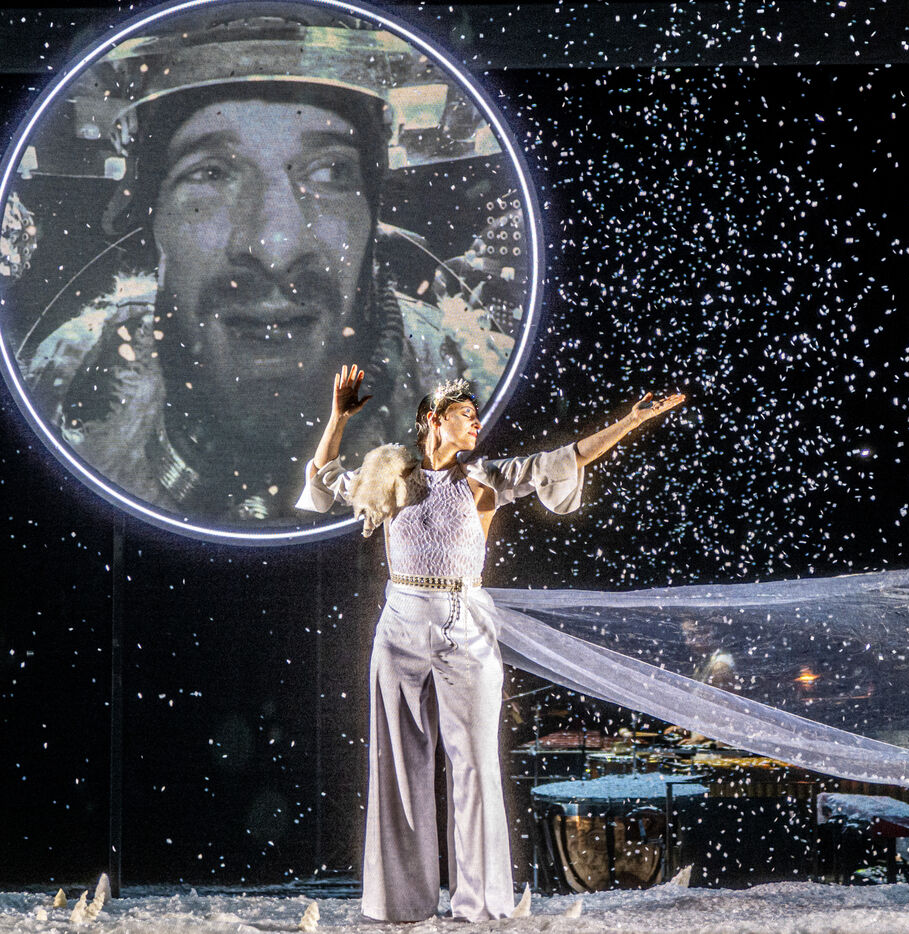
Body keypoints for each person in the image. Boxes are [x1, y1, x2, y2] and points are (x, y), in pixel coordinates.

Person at [18, 13, 521, 523]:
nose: (275, 248)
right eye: (211, 172)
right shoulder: (63, 382)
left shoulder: (475, 383)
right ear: (152, 220)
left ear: (372, 216)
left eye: (330, 171)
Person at [297, 363, 683, 922]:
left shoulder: (485, 478)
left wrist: (629, 422)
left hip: (465, 627)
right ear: (434, 420)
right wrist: (338, 417)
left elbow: (566, 459)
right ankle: (400, 903)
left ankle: (481, 905)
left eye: (476, 415)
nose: (476, 423)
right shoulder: (390, 476)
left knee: (475, 765)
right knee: (399, 766)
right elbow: (324, 477)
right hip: (400, 626)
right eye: (465, 415)